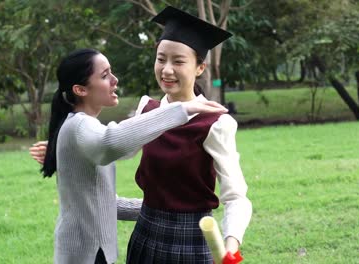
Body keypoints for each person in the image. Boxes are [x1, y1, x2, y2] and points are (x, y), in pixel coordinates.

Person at [38, 48, 227, 264]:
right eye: (104, 75)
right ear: (80, 89)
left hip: (93, 251)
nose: (115, 80)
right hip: (84, 254)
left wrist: (159, 212)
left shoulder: (81, 127)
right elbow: (113, 141)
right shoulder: (80, 125)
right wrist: (181, 109)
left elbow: (103, 202)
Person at [125, 6, 252, 263]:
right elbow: (111, 146)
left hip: (190, 240)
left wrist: (231, 245)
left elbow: (236, 196)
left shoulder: (215, 123)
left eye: (179, 61)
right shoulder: (146, 108)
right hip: (144, 234)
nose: (167, 70)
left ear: (200, 67)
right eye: (161, 59)